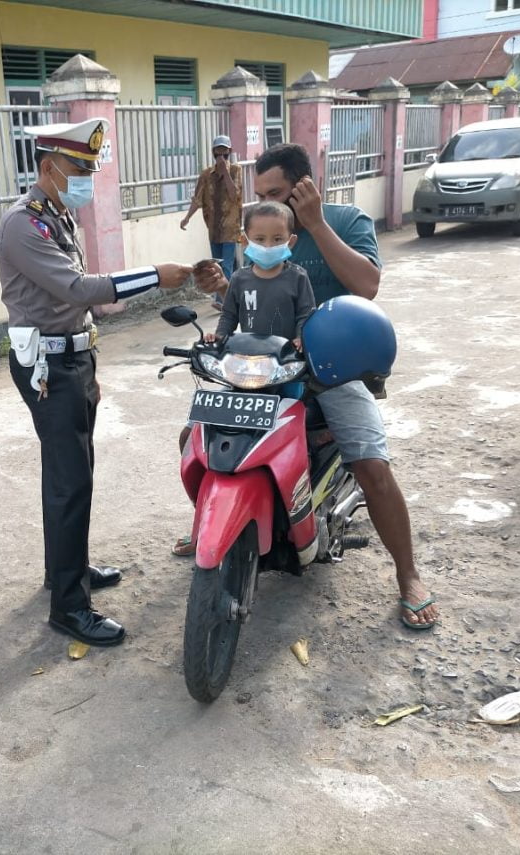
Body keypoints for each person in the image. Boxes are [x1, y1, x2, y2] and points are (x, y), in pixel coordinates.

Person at [192, 143, 439, 630]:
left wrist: (317, 224)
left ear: (305, 186)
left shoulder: (347, 221)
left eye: (277, 193)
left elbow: (367, 286)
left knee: (371, 464)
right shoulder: (262, 229)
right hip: (263, 370)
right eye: (261, 194)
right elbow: (256, 299)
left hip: (332, 370)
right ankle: (215, 524)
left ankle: (408, 573)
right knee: (197, 439)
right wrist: (223, 288)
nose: (268, 204)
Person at [0, 118, 191, 647]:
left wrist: (90, 368)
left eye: (89, 172)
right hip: (47, 368)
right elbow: (79, 289)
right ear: (48, 167)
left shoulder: (55, 216)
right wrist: (156, 276)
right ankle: (69, 607)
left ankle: (67, 570)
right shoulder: (23, 225)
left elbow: (73, 308)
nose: (85, 182)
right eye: (77, 171)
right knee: (70, 482)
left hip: (72, 360)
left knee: (72, 474)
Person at [206, 200, 313, 347]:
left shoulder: (298, 277)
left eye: (277, 239)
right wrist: (219, 337)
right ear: (245, 241)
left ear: (290, 242)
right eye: (260, 239)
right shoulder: (238, 279)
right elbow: (229, 316)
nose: (268, 246)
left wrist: (301, 338)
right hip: (252, 354)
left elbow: (305, 315)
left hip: (287, 355)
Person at [180, 134, 243, 308]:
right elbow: (197, 199)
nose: (221, 154)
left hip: (230, 228)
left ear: (229, 151)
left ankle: (223, 301)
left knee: (226, 265)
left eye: (224, 150)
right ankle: (231, 296)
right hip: (214, 228)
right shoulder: (206, 174)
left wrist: (225, 173)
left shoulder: (235, 170)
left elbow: (235, 195)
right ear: (213, 152)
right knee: (216, 265)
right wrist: (187, 218)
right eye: (218, 150)